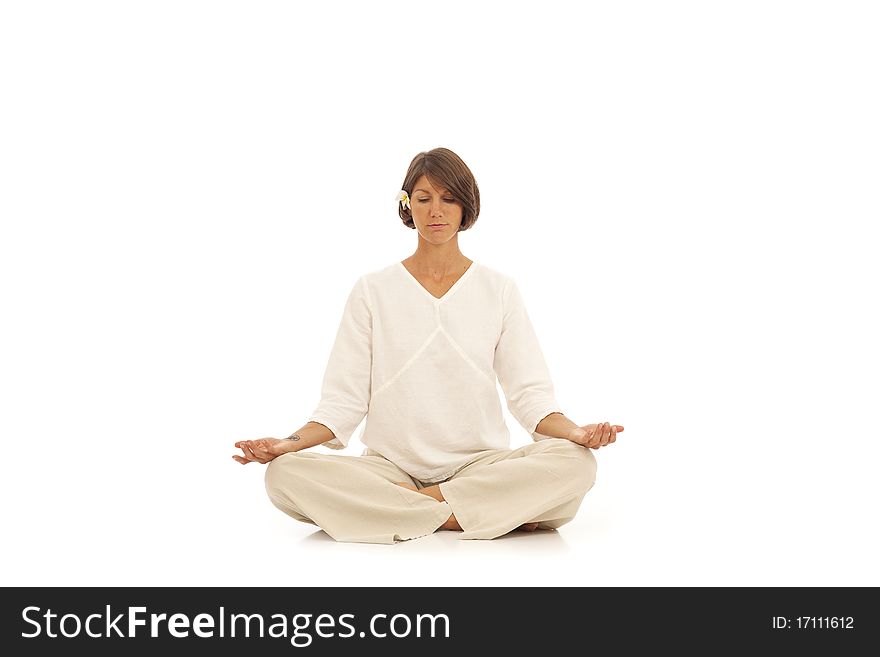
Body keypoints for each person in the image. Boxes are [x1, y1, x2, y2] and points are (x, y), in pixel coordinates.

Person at [233, 147, 623, 544]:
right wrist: (285, 444)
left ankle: (408, 509)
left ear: (465, 206)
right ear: (407, 206)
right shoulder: (373, 290)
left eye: (449, 198)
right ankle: (480, 512)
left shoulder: (498, 290)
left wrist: (575, 434)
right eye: (424, 199)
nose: (436, 211)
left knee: (576, 464)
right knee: (283, 475)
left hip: (481, 465)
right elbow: (342, 403)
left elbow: (530, 396)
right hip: (389, 470)